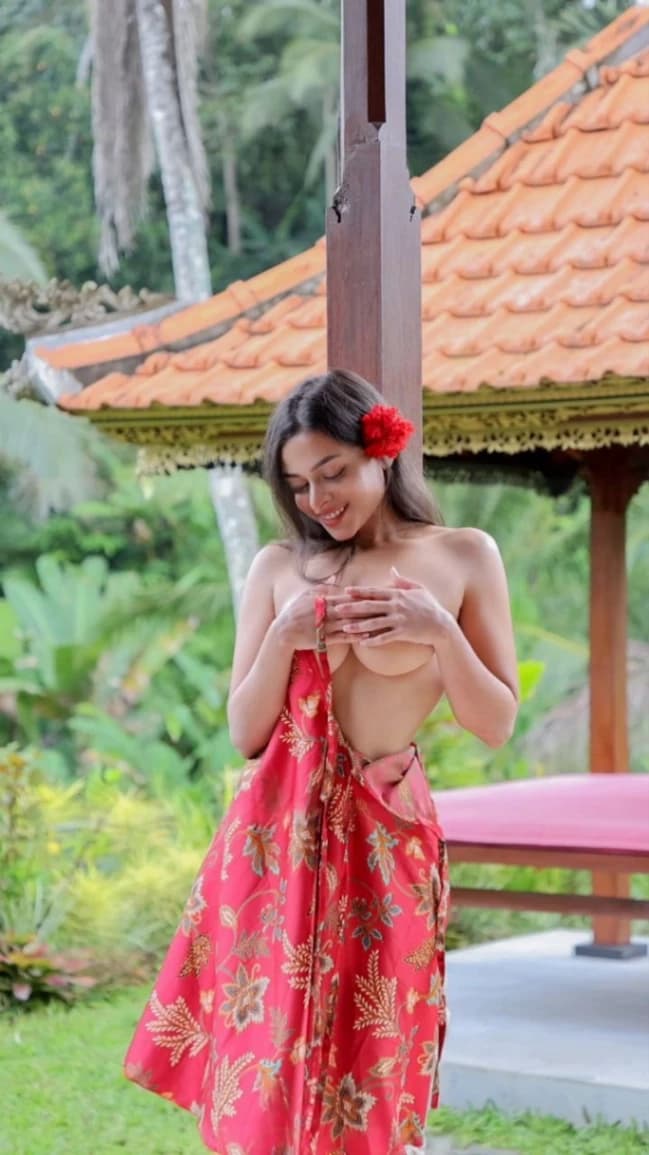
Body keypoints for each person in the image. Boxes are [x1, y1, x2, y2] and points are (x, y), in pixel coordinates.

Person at [123, 369, 519, 1155]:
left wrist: (438, 630)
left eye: (332, 472)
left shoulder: (463, 556)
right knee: (267, 1058)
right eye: (300, 484)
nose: (317, 499)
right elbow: (244, 731)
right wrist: (284, 635)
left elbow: (495, 723)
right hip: (276, 842)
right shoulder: (278, 567)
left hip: (384, 840)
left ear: (381, 450)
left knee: (372, 1052)